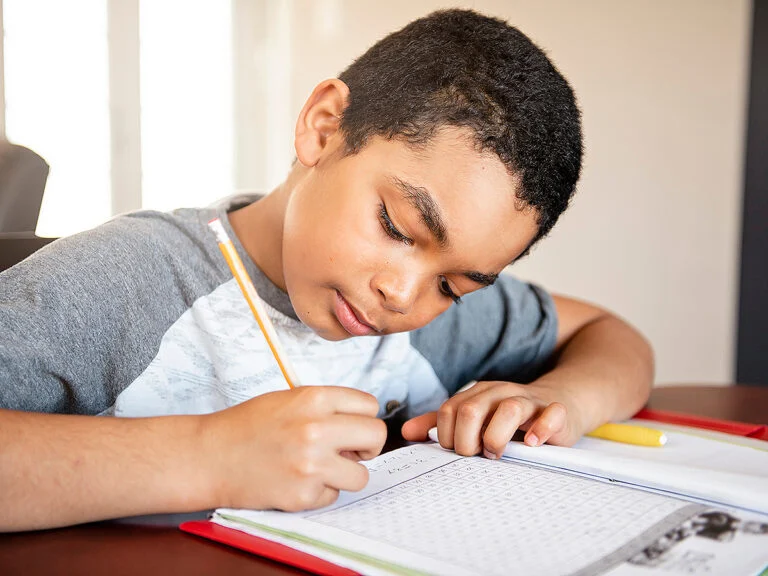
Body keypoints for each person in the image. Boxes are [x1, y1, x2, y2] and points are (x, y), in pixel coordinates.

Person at [0, 9, 653, 531]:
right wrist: (206, 455)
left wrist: (566, 400)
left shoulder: (426, 327)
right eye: (397, 227)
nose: (402, 295)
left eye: (453, 286)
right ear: (324, 127)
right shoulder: (124, 283)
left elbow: (611, 335)